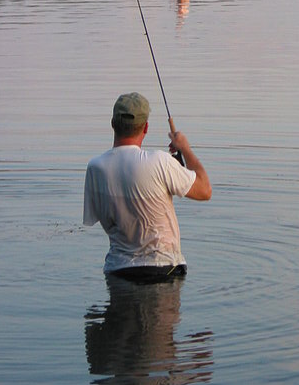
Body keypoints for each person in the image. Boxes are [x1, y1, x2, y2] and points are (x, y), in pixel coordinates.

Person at [83, 92, 211, 281]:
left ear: (113, 124)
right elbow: (205, 190)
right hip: (164, 270)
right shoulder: (160, 161)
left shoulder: (95, 168)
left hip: (118, 272)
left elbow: (104, 221)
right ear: (146, 127)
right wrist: (185, 148)